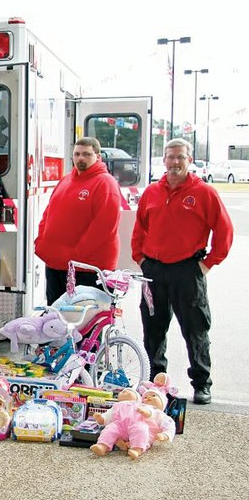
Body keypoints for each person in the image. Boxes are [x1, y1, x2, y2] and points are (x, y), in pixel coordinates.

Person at [132, 138, 233, 405]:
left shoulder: (204, 192)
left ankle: (202, 384)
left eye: (180, 157)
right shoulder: (152, 192)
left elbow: (224, 232)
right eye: (170, 157)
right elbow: (139, 229)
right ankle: (155, 382)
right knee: (153, 329)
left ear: (190, 160)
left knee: (195, 329)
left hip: (187, 272)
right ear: (163, 160)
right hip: (153, 271)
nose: (175, 162)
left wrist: (207, 264)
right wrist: (140, 259)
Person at [34, 137, 122, 305]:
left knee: (85, 321)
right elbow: (48, 213)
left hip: (86, 269)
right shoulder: (66, 179)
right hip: (57, 265)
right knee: (55, 319)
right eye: (77, 154)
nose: (80, 158)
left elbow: (104, 227)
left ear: (98, 156)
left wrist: (75, 257)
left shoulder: (105, 183)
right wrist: (42, 243)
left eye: (86, 154)